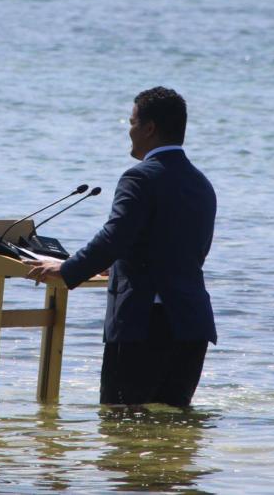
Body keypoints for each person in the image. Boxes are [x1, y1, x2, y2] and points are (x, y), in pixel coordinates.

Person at [26, 86, 217, 407]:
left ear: (149, 128)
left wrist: (67, 269)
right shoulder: (201, 183)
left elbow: (114, 236)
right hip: (191, 326)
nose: (129, 131)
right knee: (172, 439)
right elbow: (179, 250)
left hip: (144, 325)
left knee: (120, 428)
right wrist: (117, 265)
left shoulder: (140, 178)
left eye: (131, 122)